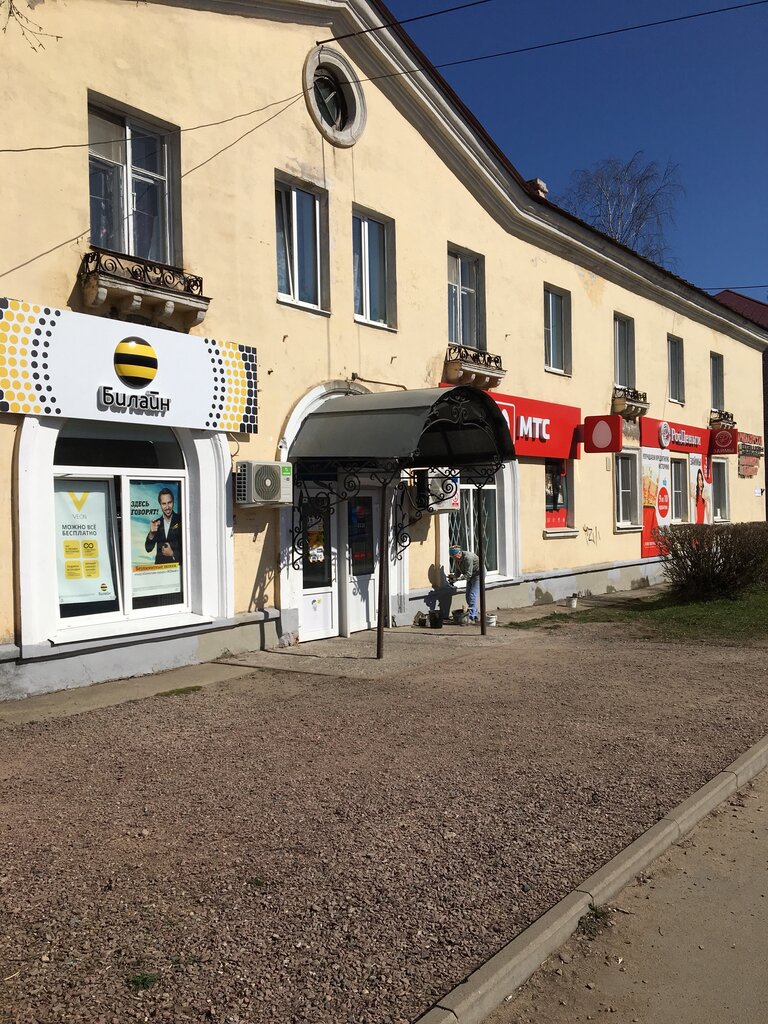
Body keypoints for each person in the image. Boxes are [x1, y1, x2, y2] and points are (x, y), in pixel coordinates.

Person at [145, 488, 182, 564]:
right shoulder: (156, 523)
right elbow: (148, 549)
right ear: (160, 505)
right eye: (164, 504)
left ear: (173, 502)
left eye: (169, 502)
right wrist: (151, 533)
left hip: (177, 568)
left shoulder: (181, 520)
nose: (167, 507)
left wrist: (172, 554)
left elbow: (190, 549)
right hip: (160, 569)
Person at [448, 544, 480, 623]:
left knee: (472, 595)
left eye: (454, 556)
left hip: (478, 574)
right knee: (468, 596)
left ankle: (472, 617)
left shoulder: (468, 558)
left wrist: (457, 579)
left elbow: (468, 574)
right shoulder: (457, 559)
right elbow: (458, 571)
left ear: (459, 553)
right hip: (470, 576)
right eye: (452, 557)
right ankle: (475, 613)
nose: (454, 559)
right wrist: (453, 578)